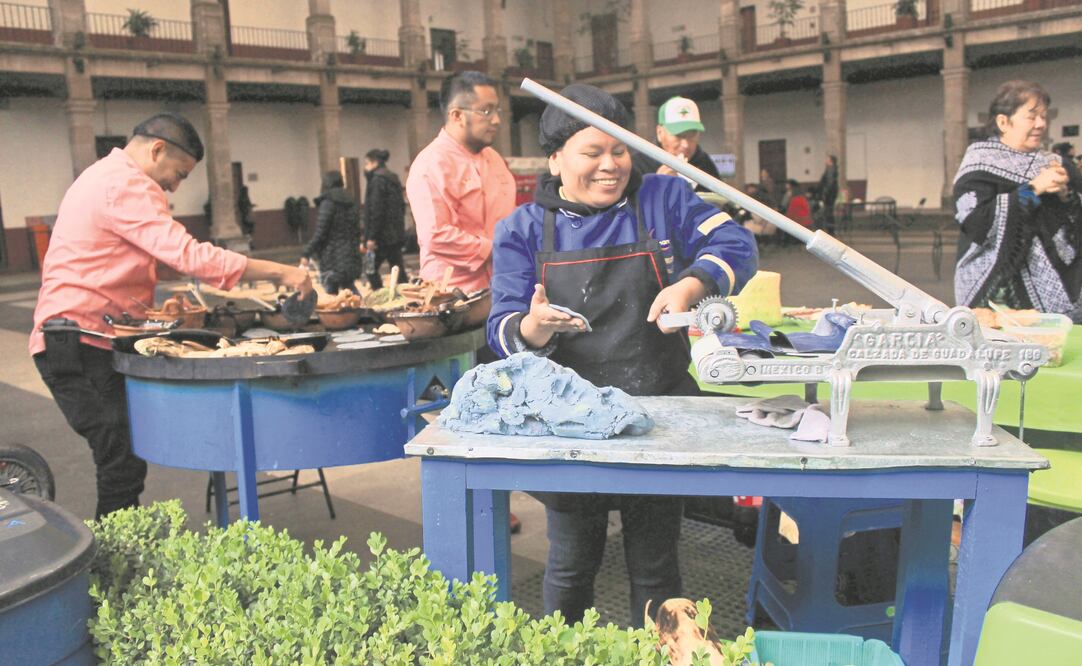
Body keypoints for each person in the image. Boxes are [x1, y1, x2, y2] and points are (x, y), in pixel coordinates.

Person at [486, 84, 758, 627]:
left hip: (657, 415)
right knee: (570, 564)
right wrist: (534, 327)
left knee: (656, 566)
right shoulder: (522, 230)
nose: (611, 165)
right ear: (556, 158)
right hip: (567, 425)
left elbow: (736, 245)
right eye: (593, 153)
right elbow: (502, 328)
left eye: (619, 150)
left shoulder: (662, 199)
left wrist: (690, 286)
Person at [30, 112, 313, 518]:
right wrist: (283, 271)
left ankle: (115, 561)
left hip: (84, 338)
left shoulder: (104, 175)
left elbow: (112, 263)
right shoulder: (126, 183)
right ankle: (110, 572)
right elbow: (189, 255)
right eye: (178, 173)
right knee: (120, 463)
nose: (176, 186)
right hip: (75, 343)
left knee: (122, 460)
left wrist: (149, 310)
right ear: (157, 149)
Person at [953, 80, 1081, 316]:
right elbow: (976, 223)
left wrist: (1067, 196)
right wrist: (1033, 188)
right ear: (1003, 122)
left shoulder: (1056, 163)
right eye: (1032, 117)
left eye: (1044, 117)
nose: (1041, 124)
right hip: (1003, 291)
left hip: (1068, 282)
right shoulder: (978, 166)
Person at [405, 70, 516, 293]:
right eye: (486, 111)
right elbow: (435, 235)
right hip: (453, 296)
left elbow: (510, 217)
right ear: (456, 115)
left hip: (503, 286)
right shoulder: (430, 164)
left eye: (497, 110)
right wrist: (495, 249)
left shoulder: (494, 159)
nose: (496, 120)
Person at [631, 96, 722, 192]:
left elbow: (723, 203)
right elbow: (626, 204)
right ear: (660, 132)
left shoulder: (704, 163)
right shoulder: (638, 165)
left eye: (692, 135)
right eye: (678, 136)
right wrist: (655, 188)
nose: (685, 145)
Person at [302, 171, 362, 294]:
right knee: (348, 286)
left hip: (332, 256)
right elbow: (357, 228)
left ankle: (341, 311)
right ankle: (359, 309)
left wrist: (307, 252)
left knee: (332, 291)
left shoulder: (328, 203)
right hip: (350, 253)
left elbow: (321, 231)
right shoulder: (351, 201)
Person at [362, 149, 408, 290]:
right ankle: (408, 298)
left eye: (366, 163)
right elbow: (401, 206)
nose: (365, 168)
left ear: (374, 163)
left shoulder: (376, 180)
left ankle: (379, 296)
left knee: (369, 268)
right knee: (398, 269)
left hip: (380, 236)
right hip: (395, 234)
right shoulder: (393, 178)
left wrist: (371, 237)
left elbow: (376, 210)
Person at [816, 155, 839, 233]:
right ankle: (831, 230)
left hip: (829, 196)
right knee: (829, 213)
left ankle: (830, 231)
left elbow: (829, 183)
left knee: (828, 213)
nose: (825, 161)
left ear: (830, 161)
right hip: (830, 195)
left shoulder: (830, 170)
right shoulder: (832, 169)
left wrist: (824, 195)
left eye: (827, 159)